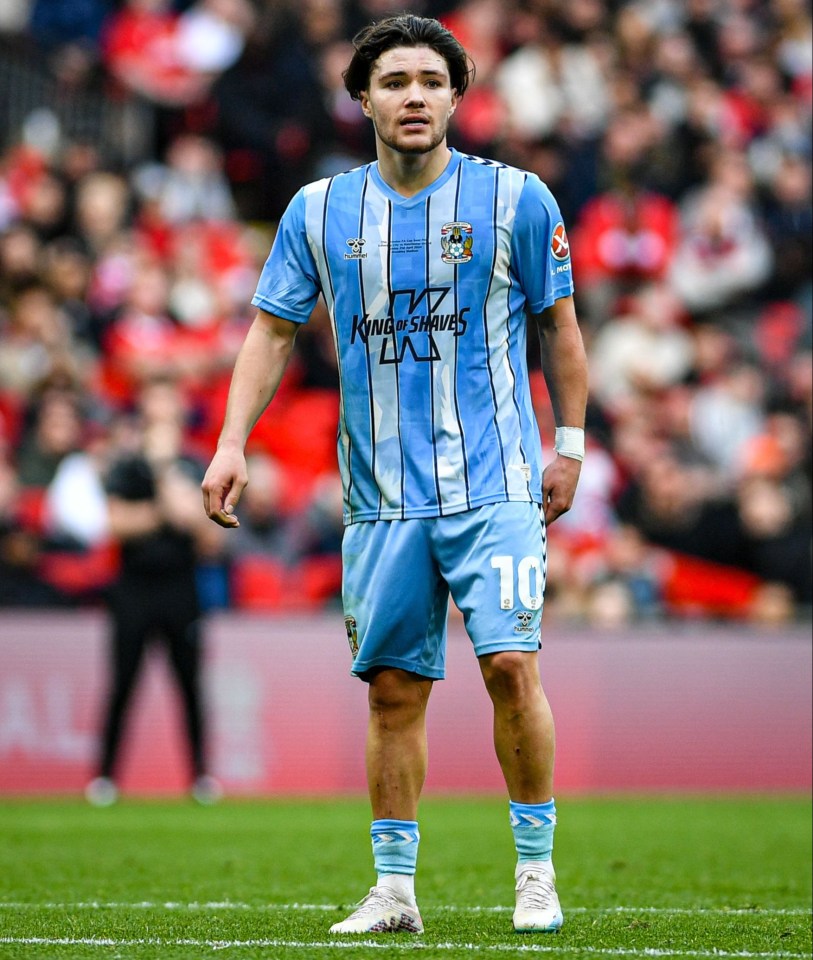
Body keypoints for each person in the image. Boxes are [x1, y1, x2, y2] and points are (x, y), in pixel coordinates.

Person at [201, 14, 587, 935]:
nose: (412, 95)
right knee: (392, 691)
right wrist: (229, 440)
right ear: (363, 99)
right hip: (379, 498)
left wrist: (568, 445)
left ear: (456, 96)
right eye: (393, 81)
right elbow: (271, 330)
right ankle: (394, 892)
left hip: (493, 482)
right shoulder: (318, 211)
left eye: (429, 80)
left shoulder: (518, 200)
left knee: (508, 666)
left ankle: (535, 873)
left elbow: (558, 328)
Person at [86, 384, 223, 807]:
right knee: (122, 683)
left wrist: (168, 486)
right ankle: (105, 777)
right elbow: (116, 525)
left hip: (181, 588)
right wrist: (167, 503)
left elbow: (208, 536)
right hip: (133, 588)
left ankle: (201, 776)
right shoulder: (126, 465)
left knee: (190, 685)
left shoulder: (199, 464)